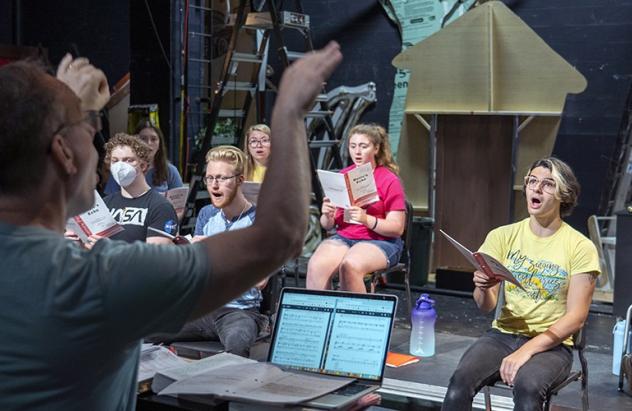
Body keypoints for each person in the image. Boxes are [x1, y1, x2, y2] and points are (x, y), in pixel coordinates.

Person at [0, 42, 342, 410]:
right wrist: (289, 112)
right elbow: (278, 237)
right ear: (63, 153)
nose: (101, 154)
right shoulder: (96, 280)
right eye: (92, 130)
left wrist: (71, 111)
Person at [441, 157, 601, 411]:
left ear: (564, 194)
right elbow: (486, 306)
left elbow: (576, 318)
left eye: (548, 184)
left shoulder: (580, 247)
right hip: (502, 336)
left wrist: (526, 351)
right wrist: (483, 287)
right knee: (458, 385)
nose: (536, 189)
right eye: (532, 181)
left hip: (552, 345)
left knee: (528, 387)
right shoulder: (502, 236)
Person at [149, 145, 268, 357]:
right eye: (210, 178)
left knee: (238, 343)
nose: (214, 185)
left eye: (222, 178)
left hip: (238, 310)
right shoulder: (207, 214)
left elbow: (260, 281)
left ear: (240, 180)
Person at [306, 123, 406, 293]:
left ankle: (353, 318)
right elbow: (328, 226)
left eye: (363, 146)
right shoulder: (343, 176)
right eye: (353, 146)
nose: (357, 152)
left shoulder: (389, 180)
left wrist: (366, 219)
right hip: (346, 237)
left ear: (376, 148)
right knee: (317, 265)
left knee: (350, 265)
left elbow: (397, 228)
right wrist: (327, 215)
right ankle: (321, 317)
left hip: (381, 241)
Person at [102, 132, 177, 244]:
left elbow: (155, 256)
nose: (120, 166)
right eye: (115, 161)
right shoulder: (105, 204)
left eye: (128, 160)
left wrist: (107, 249)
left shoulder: (160, 207)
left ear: (143, 165)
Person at [104, 121, 183, 194]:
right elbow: (110, 200)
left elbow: (180, 201)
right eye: (143, 138)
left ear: (160, 144)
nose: (148, 143)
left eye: (153, 139)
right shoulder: (120, 168)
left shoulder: (170, 170)